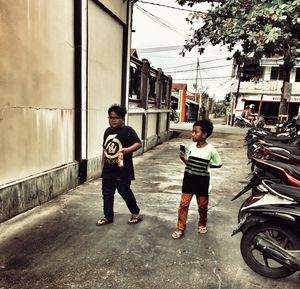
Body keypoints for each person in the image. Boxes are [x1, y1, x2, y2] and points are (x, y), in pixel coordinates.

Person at [171, 119, 222, 239]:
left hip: (202, 182)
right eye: (192, 132)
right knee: (183, 204)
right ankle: (180, 228)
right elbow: (190, 164)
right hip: (189, 179)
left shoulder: (211, 150)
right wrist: (183, 158)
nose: (192, 134)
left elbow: (219, 163)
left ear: (204, 134)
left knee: (202, 206)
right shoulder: (191, 148)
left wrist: (207, 165)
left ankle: (202, 223)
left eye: (195, 132)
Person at [96, 104, 143, 226]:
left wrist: (127, 150)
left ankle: (135, 213)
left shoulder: (127, 130)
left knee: (125, 192)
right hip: (108, 170)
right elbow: (105, 150)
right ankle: (108, 217)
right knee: (107, 195)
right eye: (110, 118)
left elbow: (138, 143)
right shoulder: (107, 131)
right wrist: (102, 168)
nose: (113, 120)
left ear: (122, 119)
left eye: (116, 118)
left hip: (123, 170)